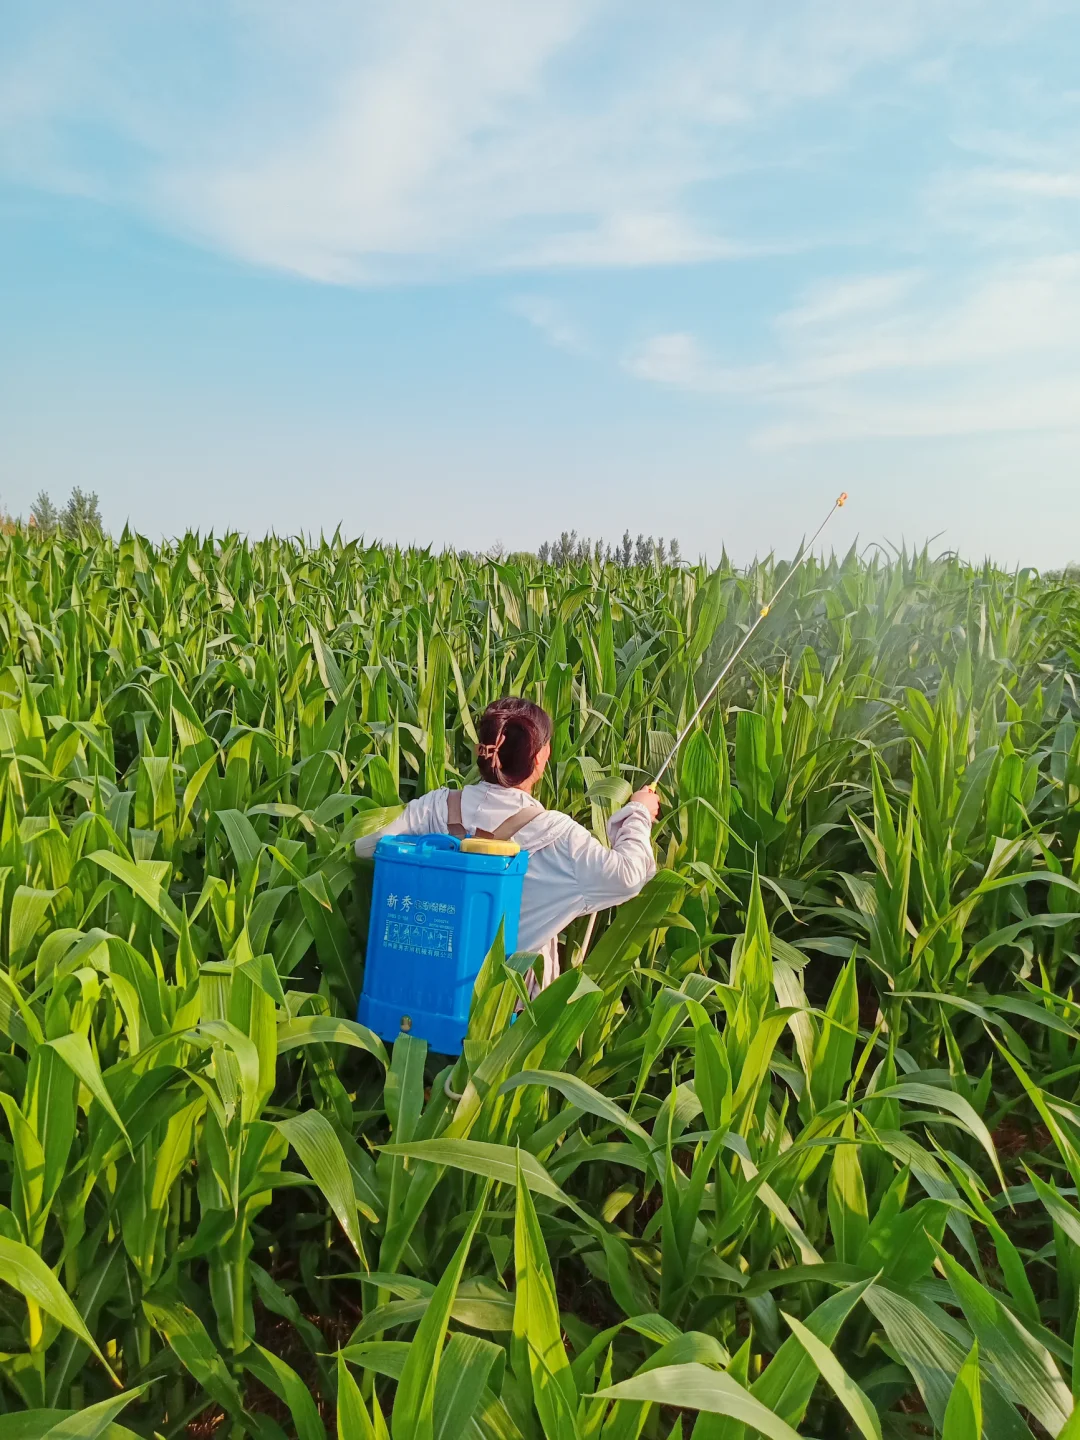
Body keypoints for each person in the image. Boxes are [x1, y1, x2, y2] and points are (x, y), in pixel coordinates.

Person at [354, 696, 661, 990]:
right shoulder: (558, 836)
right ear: (541, 757)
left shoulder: (436, 807)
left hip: (428, 989)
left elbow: (367, 847)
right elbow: (629, 876)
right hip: (508, 1009)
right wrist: (639, 813)